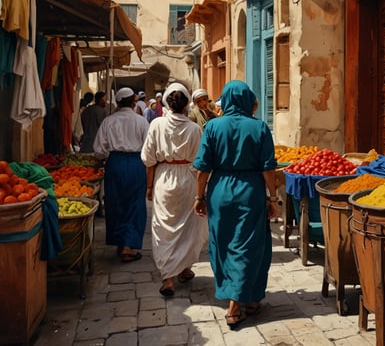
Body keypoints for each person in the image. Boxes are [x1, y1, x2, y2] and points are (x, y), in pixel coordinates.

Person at [193, 80, 279, 329]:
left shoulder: (212, 127)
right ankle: (238, 305)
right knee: (250, 247)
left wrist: (200, 196)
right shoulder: (259, 127)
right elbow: (268, 168)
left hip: (220, 191)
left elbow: (203, 168)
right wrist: (273, 198)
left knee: (224, 245)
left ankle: (244, 299)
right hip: (250, 192)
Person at [140, 83, 208, 297]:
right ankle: (185, 268)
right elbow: (200, 163)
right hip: (187, 179)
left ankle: (168, 278)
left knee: (163, 227)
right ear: (188, 104)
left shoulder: (157, 125)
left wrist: (149, 186)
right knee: (188, 226)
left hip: (164, 179)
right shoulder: (194, 129)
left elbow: (149, 159)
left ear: (166, 103)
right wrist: (201, 193)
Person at [93, 87, 150, 262]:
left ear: (118, 102)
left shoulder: (108, 122)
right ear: (133, 102)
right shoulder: (141, 122)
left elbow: (99, 150)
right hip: (136, 164)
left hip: (115, 164)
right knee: (135, 203)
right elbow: (149, 147)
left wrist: (103, 158)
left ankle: (121, 243)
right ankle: (128, 245)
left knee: (115, 202)